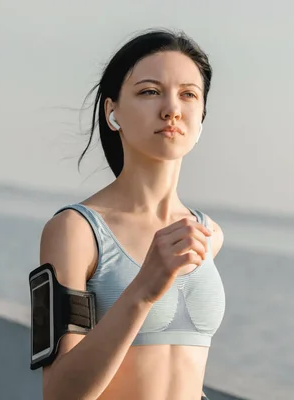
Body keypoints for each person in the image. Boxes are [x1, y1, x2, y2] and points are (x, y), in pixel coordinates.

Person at [38, 29, 226, 400]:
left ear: (201, 116)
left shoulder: (207, 234)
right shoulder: (75, 232)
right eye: (150, 91)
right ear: (112, 112)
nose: (172, 108)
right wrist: (143, 289)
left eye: (188, 94)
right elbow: (58, 393)